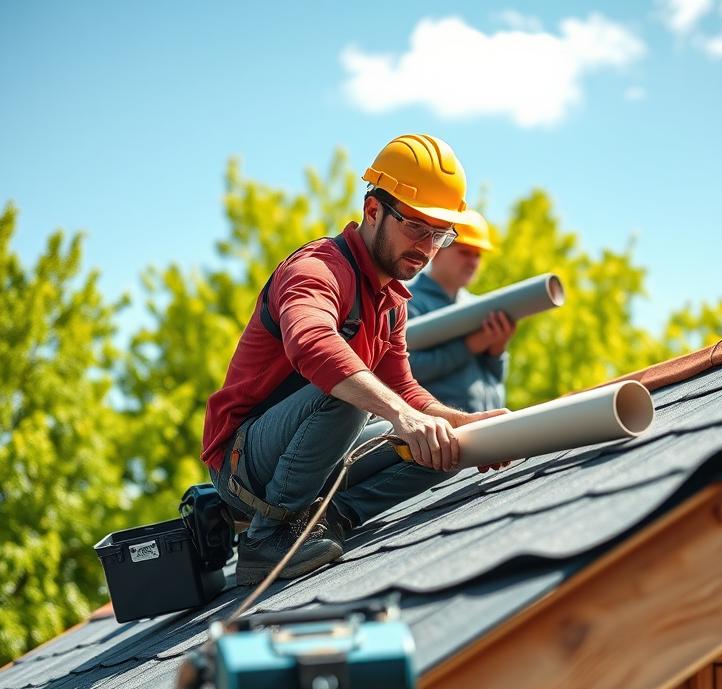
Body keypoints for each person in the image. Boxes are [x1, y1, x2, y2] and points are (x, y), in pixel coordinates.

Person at [201, 134, 506, 586]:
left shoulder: (391, 302)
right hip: (243, 464)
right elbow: (312, 343)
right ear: (373, 211)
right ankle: (266, 541)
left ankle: (329, 519)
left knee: (441, 445)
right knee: (352, 393)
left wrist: (463, 424)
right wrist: (401, 415)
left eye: (439, 234)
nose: (426, 247)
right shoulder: (317, 269)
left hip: (309, 456)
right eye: (415, 227)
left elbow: (404, 390)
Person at [407, 210, 515, 413]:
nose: (473, 261)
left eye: (478, 254)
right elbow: (406, 369)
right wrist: (470, 346)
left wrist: (497, 350)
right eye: (464, 251)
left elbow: (496, 378)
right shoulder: (409, 302)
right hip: (441, 436)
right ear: (437, 249)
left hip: (490, 428)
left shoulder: (479, 306)